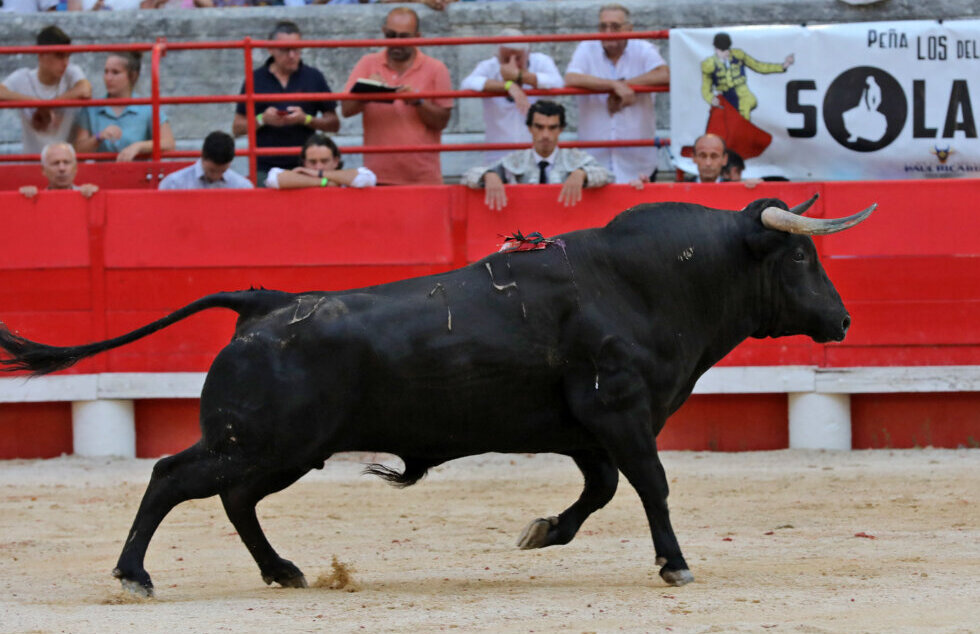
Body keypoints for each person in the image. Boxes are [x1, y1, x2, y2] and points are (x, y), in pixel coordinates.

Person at [341, 7, 453, 186]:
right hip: (377, 176)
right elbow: (346, 110)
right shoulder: (367, 63)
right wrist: (367, 91)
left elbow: (442, 121)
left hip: (423, 177)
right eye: (391, 35)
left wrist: (419, 102)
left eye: (403, 37)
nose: (396, 42)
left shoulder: (436, 69)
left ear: (417, 36)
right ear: (384, 32)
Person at [563, 3, 669, 184]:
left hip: (638, 164)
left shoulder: (643, 48)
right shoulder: (587, 48)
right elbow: (571, 78)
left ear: (629, 29)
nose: (608, 32)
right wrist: (613, 85)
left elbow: (665, 75)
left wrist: (623, 86)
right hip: (594, 163)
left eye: (615, 26)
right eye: (603, 26)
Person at [232, 21, 340, 185]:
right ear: (270, 49)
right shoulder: (255, 79)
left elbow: (334, 124)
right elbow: (237, 128)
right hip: (265, 167)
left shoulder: (314, 76)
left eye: (296, 49)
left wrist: (306, 119)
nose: (292, 55)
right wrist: (262, 119)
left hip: (306, 167)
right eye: (285, 50)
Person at [461, 100, 613, 211]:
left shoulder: (576, 160)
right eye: (539, 127)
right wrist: (488, 175)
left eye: (552, 128)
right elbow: (467, 177)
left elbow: (610, 177)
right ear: (530, 128)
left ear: (561, 130)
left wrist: (583, 173)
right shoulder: (515, 161)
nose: (545, 135)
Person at [460, 28, 564, 163]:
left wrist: (520, 76)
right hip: (498, 154)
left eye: (518, 58)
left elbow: (557, 83)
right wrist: (508, 86)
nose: (512, 64)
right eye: (506, 59)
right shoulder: (489, 66)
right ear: (498, 56)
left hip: (537, 154)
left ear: (528, 54)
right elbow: (467, 84)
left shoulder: (541, 62)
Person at [0, 26, 92, 155]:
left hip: (63, 163)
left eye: (67, 56)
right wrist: (36, 103)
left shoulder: (71, 72)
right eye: (59, 56)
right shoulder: (23, 77)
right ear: (41, 55)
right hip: (32, 161)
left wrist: (47, 106)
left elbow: (85, 90)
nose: (65, 62)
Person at [73, 52, 176, 161]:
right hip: (103, 171)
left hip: (137, 171)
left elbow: (169, 143)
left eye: (115, 72)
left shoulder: (147, 107)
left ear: (132, 76)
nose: (108, 78)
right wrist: (98, 137)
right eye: (106, 72)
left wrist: (138, 147)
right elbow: (78, 151)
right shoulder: (91, 108)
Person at [701, 32, 793, 121]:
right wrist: (711, 98)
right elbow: (705, 88)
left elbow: (758, 66)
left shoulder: (738, 55)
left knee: (743, 114)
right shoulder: (709, 64)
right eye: (722, 50)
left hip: (743, 94)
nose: (726, 53)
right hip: (726, 97)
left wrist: (782, 66)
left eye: (727, 49)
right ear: (716, 49)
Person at [265, 134, 377, 189]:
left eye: (324, 161)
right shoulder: (296, 181)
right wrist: (324, 182)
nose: (318, 167)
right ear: (304, 162)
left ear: (336, 161)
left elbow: (367, 178)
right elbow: (273, 178)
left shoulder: (346, 179)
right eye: (312, 162)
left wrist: (318, 174)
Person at [158, 131, 253, 190]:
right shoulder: (173, 184)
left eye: (222, 171)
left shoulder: (243, 187)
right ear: (202, 156)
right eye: (212, 170)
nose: (216, 176)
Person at [19, 142, 99, 199]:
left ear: (75, 167)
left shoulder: (88, 194)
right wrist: (25, 198)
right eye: (55, 163)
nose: (62, 168)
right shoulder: (34, 198)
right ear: (43, 170)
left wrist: (95, 195)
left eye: (66, 162)